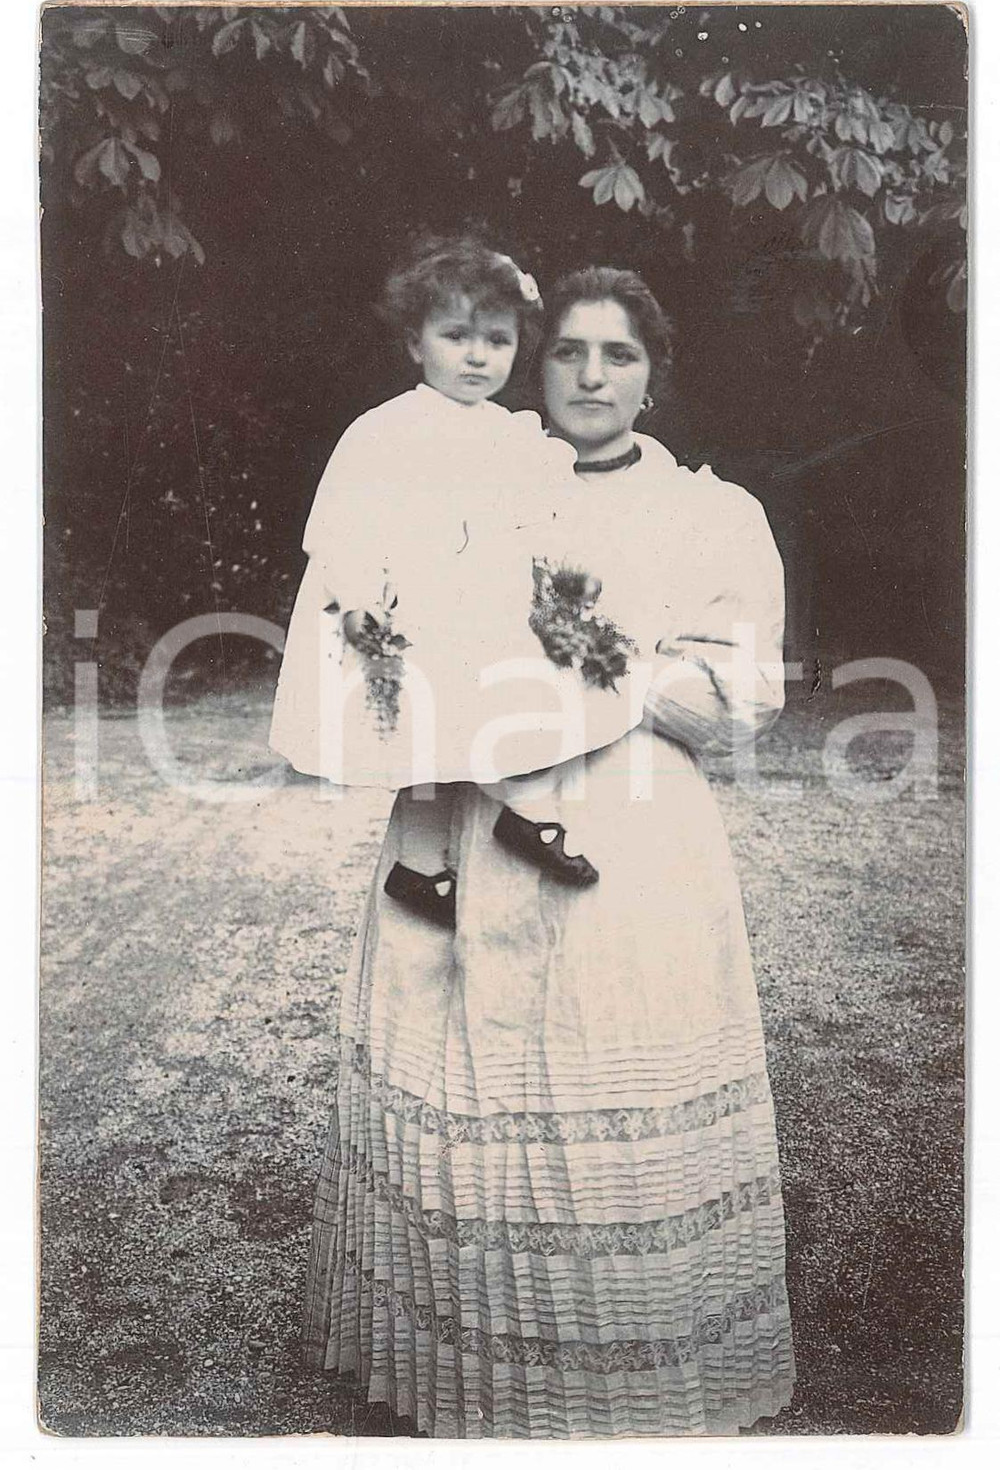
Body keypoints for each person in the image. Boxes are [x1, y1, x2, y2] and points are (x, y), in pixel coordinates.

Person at [300, 265, 795, 1437]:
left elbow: (743, 700)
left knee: (601, 1086)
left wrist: (594, 656)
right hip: (470, 817)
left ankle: (616, 1396)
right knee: (461, 1078)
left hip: (631, 839)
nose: (587, 375)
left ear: (651, 373)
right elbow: (381, 611)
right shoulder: (475, 477)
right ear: (534, 363)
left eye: (616, 355)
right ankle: (461, 1388)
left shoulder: (712, 513)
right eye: (567, 351)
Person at [270, 236, 658, 922]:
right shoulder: (385, 431)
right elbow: (346, 520)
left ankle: (481, 836)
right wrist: (359, 598)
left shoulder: (515, 435)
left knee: (501, 709)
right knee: (426, 744)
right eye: (456, 337)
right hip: (415, 611)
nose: (478, 356)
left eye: (498, 341)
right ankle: (460, 847)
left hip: (487, 607)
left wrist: (562, 579)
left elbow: (542, 517)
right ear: (416, 345)